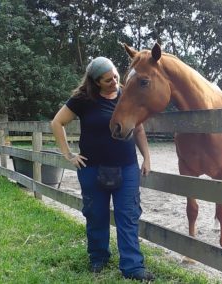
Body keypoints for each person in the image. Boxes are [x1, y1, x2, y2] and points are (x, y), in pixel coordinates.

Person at [51, 57, 155, 281]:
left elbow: (138, 130)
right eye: (108, 80)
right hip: (91, 168)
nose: (114, 81)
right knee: (95, 214)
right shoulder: (83, 99)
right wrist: (68, 154)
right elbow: (57, 123)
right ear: (96, 82)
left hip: (127, 167)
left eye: (116, 76)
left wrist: (146, 156)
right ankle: (98, 257)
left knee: (127, 215)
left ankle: (133, 266)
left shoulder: (127, 94)